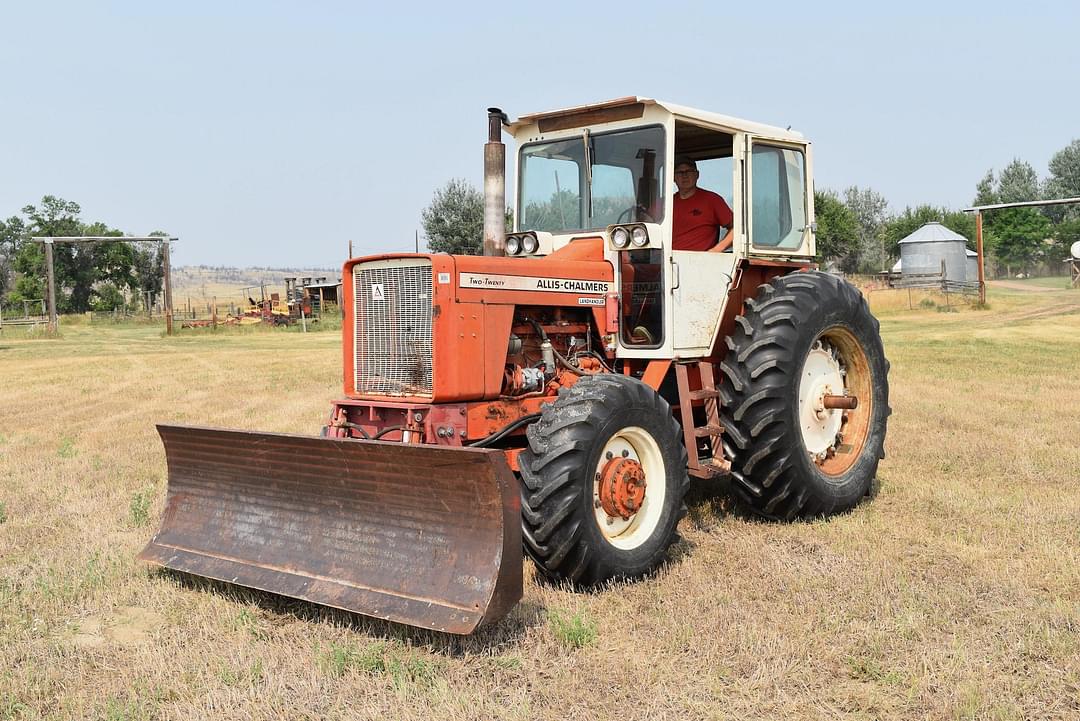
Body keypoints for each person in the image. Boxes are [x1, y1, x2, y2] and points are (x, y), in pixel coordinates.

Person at [672, 156, 734, 252]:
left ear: (697, 175)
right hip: (668, 261)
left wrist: (718, 249)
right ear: (673, 177)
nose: (685, 176)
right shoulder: (666, 204)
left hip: (702, 262)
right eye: (680, 172)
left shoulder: (712, 200)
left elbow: (737, 228)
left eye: (689, 171)